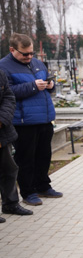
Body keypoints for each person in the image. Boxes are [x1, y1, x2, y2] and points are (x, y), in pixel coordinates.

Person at [0, 33, 62, 207]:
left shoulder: (37, 63)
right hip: (23, 121)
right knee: (26, 158)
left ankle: (43, 185)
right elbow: (7, 93)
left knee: (44, 155)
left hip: (44, 117)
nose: (29, 57)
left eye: (31, 53)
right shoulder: (4, 67)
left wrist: (50, 85)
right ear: (12, 50)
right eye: (24, 54)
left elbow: (47, 83)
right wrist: (33, 86)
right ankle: (28, 192)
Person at [1, 67, 33, 221]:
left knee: (9, 169)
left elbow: (8, 97)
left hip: (2, 131)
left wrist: (2, 119)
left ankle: (10, 203)